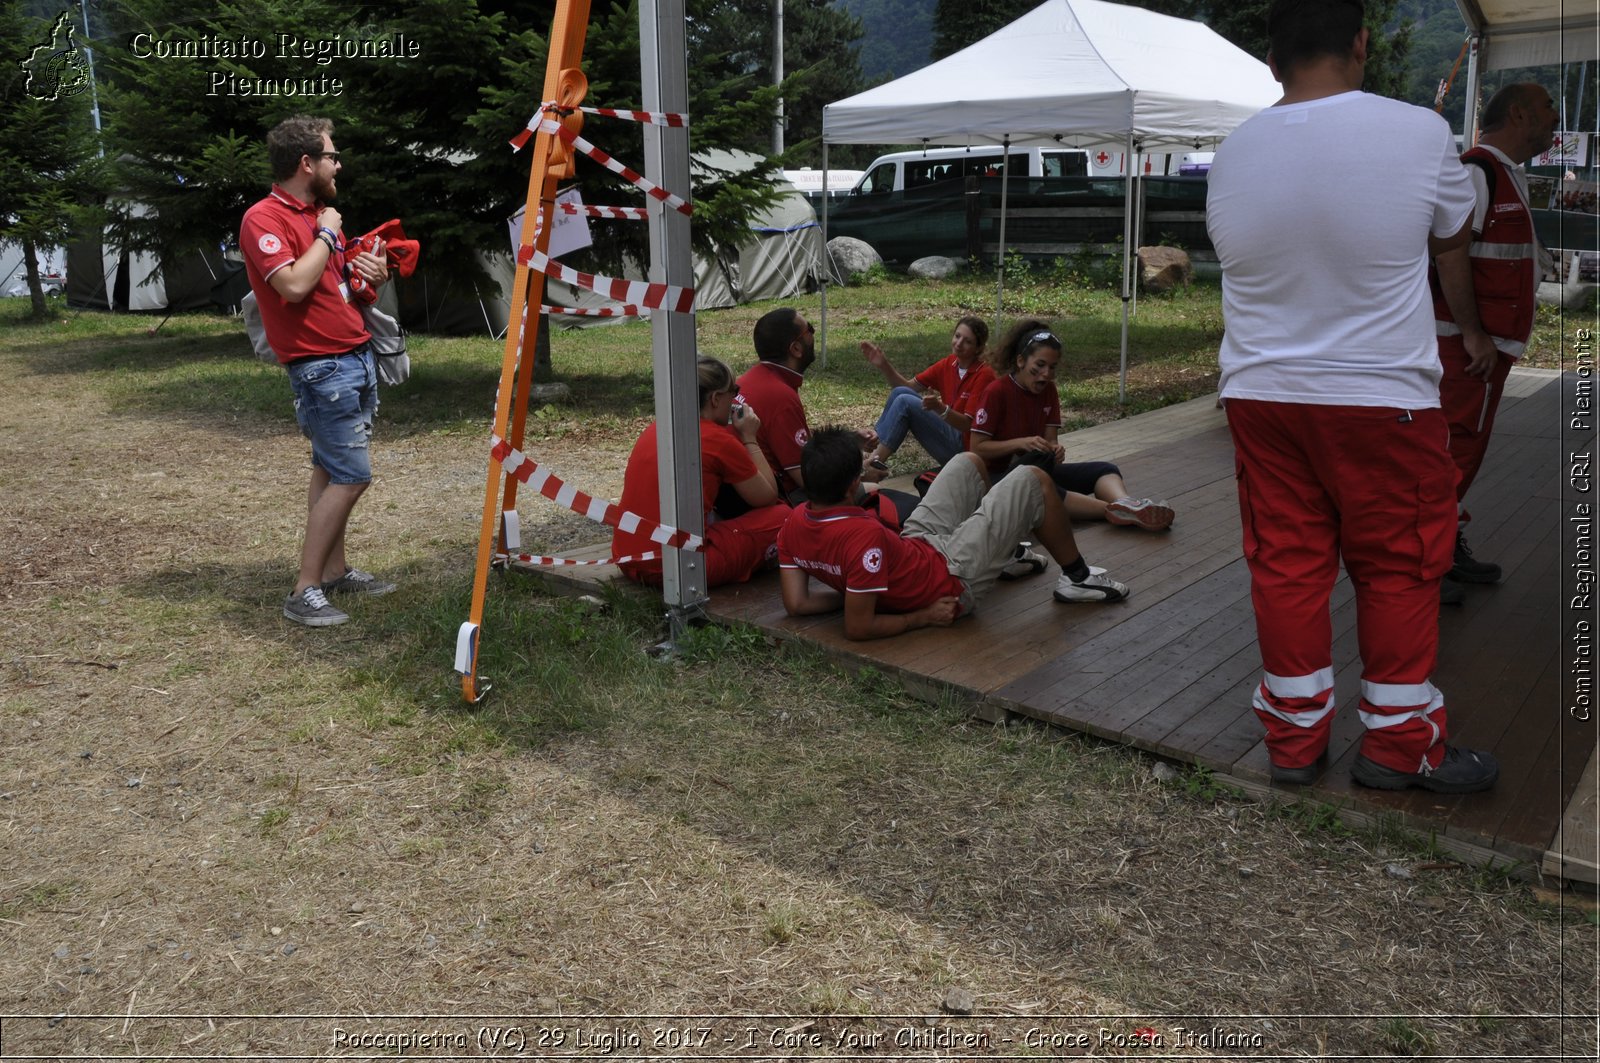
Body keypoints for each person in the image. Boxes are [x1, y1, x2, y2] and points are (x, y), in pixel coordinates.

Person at [1206, 0, 1497, 793]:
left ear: (1271, 61)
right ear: (1361, 44)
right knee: (1401, 565)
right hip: (1381, 395)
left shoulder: (1233, 153)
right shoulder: (1416, 132)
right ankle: (1401, 747)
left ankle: (1295, 740)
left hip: (1262, 395)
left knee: (1287, 566)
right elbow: (1450, 234)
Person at [240, 115, 393, 628]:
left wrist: (369, 272)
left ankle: (333, 570)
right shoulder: (265, 218)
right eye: (331, 156)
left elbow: (335, 286)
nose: (338, 164)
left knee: (330, 469)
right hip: (322, 368)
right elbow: (292, 286)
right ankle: (304, 589)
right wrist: (328, 235)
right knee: (352, 475)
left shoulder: (315, 215)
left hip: (353, 356)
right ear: (306, 163)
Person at [777, 427, 1130, 641]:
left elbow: (797, 604)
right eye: (864, 466)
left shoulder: (792, 523)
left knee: (967, 462)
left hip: (913, 550)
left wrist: (861, 590)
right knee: (1033, 480)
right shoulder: (862, 536)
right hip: (952, 577)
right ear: (855, 482)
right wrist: (921, 617)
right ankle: (1078, 580)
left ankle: (1004, 552)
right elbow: (857, 627)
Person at [1430, 82, 1559, 596]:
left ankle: (1441, 548)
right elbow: (1449, 255)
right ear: (1521, 114)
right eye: (1549, 109)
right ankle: (1426, 563)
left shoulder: (1503, 174)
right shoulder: (1476, 173)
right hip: (1465, 350)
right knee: (1450, 453)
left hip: (1482, 349)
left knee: (1460, 454)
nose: (1555, 120)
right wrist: (1473, 333)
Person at [968, 320, 1175, 531]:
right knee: (1038, 485)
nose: (1046, 374)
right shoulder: (996, 392)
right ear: (1021, 361)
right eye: (1039, 365)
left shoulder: (1049, 391)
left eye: (1052, 367)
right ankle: (1116, 511)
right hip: (996, 481)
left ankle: (1127, 504)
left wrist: (1055, 450)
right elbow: (977, 448)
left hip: (1035, 469)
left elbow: (1050, 442)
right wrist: (1021, 443)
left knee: (1105, 469)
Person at [612, 357, 791, 587]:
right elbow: (766, 497)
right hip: (676, 569)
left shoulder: (656, 428)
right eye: (733, 391)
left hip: (628, 558)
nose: (735, 399)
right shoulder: (718, 439)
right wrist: (749, 438)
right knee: (783, 518)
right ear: (716, 399)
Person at [735, 307, 878, 503]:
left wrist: (849, 440)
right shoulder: (780, 396)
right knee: (873, 491)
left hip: (740, 493)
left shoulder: (751, 379)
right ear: (796, 348)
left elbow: (790, 442)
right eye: (809, 329)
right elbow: (809, 480)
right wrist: (858, 474)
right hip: (782, 498)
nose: (814, 334)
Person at [858, 316, 995, 477]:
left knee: (905, 402)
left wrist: (941, 409)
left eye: (967, 341)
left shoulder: (984, 374)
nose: (959, 344)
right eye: (957, 336)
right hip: (951, 434)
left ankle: (870, 466)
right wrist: (884, 365)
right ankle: (871, 450)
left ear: (978, 348)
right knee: (900, 393)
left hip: (966, 451)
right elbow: (907, 387)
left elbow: (968, 425)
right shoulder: (949, 363)